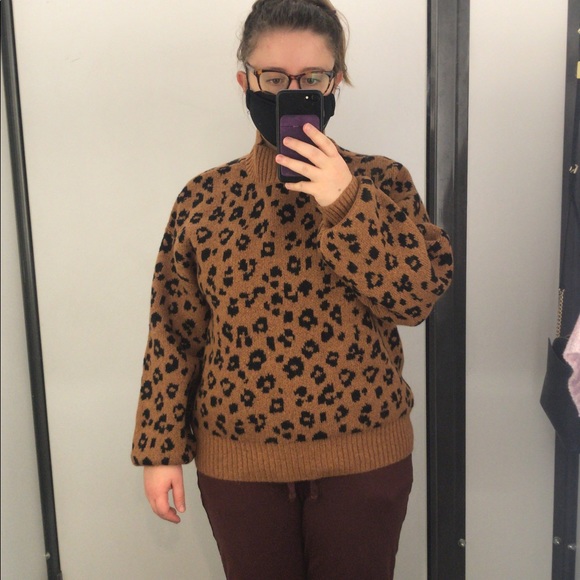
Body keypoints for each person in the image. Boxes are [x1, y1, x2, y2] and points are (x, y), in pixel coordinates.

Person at [131, 0, 453, 578]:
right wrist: (161, 450)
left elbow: (416, 297)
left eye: (311, 79)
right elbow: (174, 331)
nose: (291, 92)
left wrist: (345, 201)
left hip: (364, 463)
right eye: (274, 79)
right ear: (245, 82)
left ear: (336, 83)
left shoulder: (383, 181)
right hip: (239, 470)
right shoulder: (204, 198)